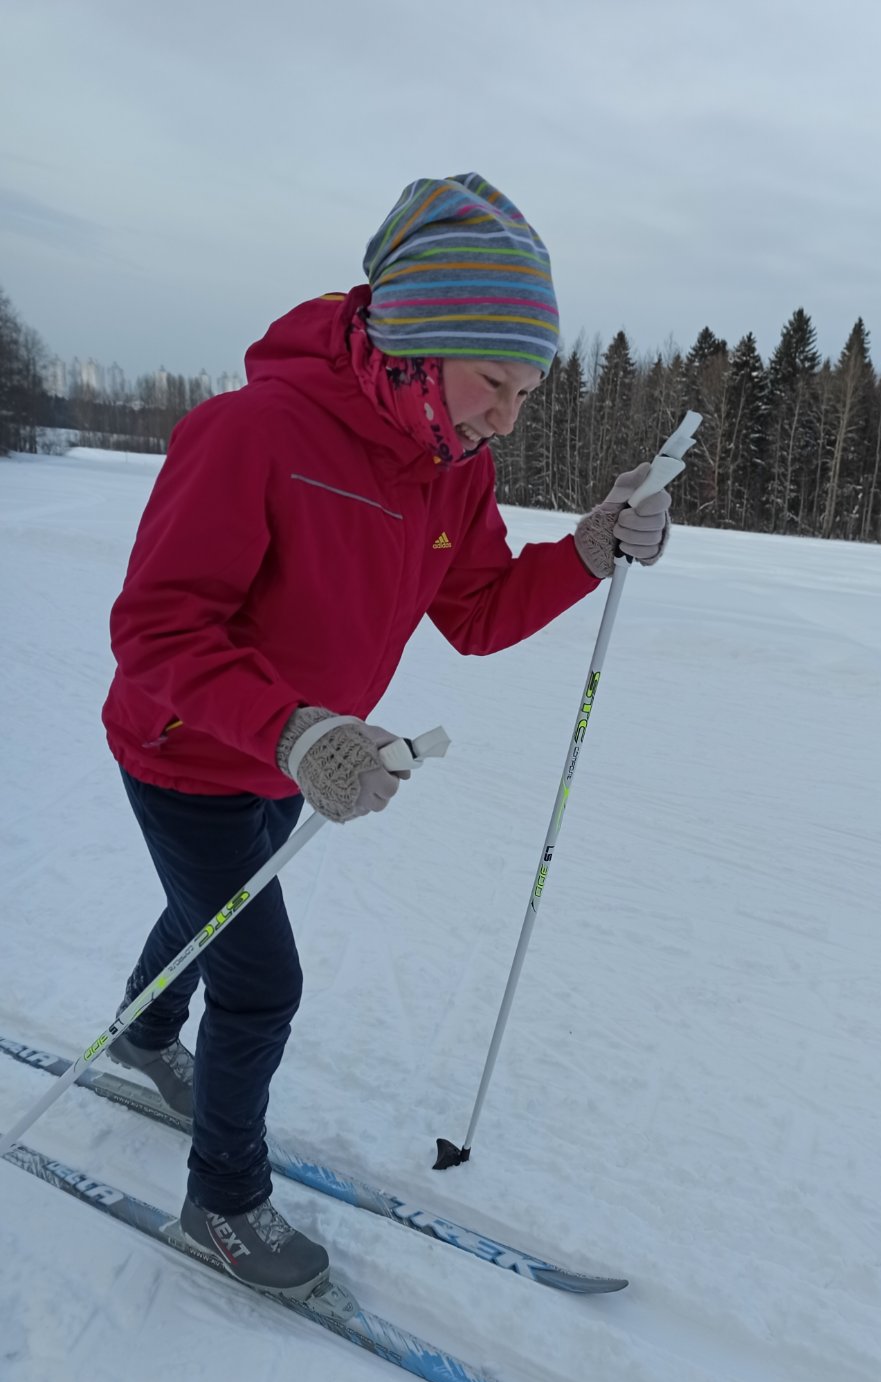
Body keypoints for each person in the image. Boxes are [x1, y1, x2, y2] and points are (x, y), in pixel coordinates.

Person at [101, 174, 672, 1297]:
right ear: (415, 347)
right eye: (495, 382)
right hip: (186, 751)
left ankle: (142, 1030)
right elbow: (155, 629)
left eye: (527, 390)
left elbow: (477, 612)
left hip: (297, 757)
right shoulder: (250, 433)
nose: (509, 413)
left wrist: (593, 546)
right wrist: (296, 727)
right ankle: (221, 1201)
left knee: (207, 902)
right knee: (259, 977)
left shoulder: (453, 472)